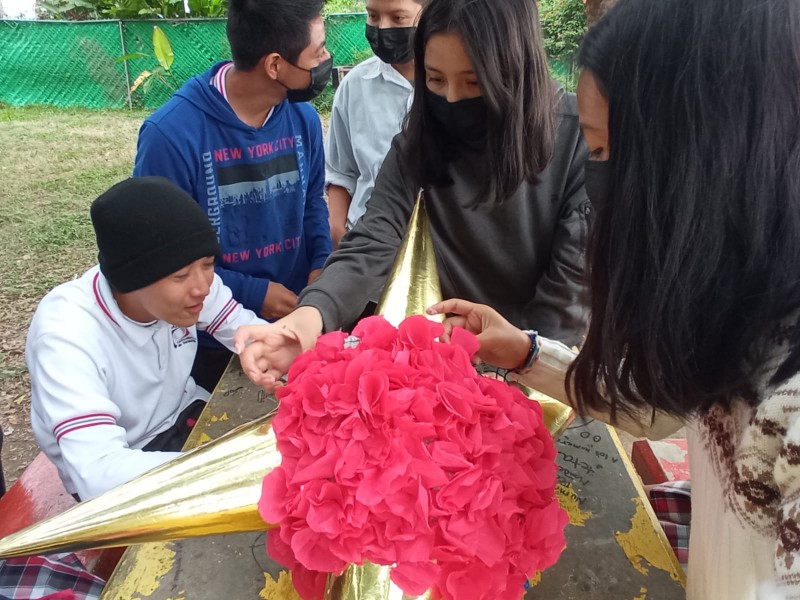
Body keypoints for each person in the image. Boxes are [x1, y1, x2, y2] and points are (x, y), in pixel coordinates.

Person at [423, 0, 800, 596]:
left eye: (602, 152)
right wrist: (526, 353)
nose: (599, 189)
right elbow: (660, 405)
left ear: (704, 151)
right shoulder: (736, 301)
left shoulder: (791, 400)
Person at [235, 0, 591, 386]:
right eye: (436, 80)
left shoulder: (578, 141)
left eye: (474, 83)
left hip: (536, 360)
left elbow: (567, 297)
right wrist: (309, 317)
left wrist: (520, 363)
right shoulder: (419, 143)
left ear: (517, 72)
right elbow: (373, 239)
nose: (452, 99)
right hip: (441, 358)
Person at [133, 0, 333, 392]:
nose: (326, 59)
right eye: (319, 51)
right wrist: (256, 293)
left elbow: (313, 201)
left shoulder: (303, 120)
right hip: (214, 338)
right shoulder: (171, 136)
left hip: (296, 319)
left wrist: (320, 268)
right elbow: (165, 259)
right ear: (275, 65)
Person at [26, 177, 265, 501]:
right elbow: (99, 474)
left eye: (208, 264)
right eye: (180, 276)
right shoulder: (67, 335)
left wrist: (276, 352)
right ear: (130, 279)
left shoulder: (189, 286)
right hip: (127, 465)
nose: (202, 286)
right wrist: (235, 471)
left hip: (186, 415)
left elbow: (248, 332)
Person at [325, 0, 428, 248]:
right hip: (365, 245)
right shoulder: (356, 85)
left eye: (398, 18)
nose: (382, 28)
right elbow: (341, 172)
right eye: (372, 16)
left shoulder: (455, 86)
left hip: (435, 251)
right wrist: (339, 234)